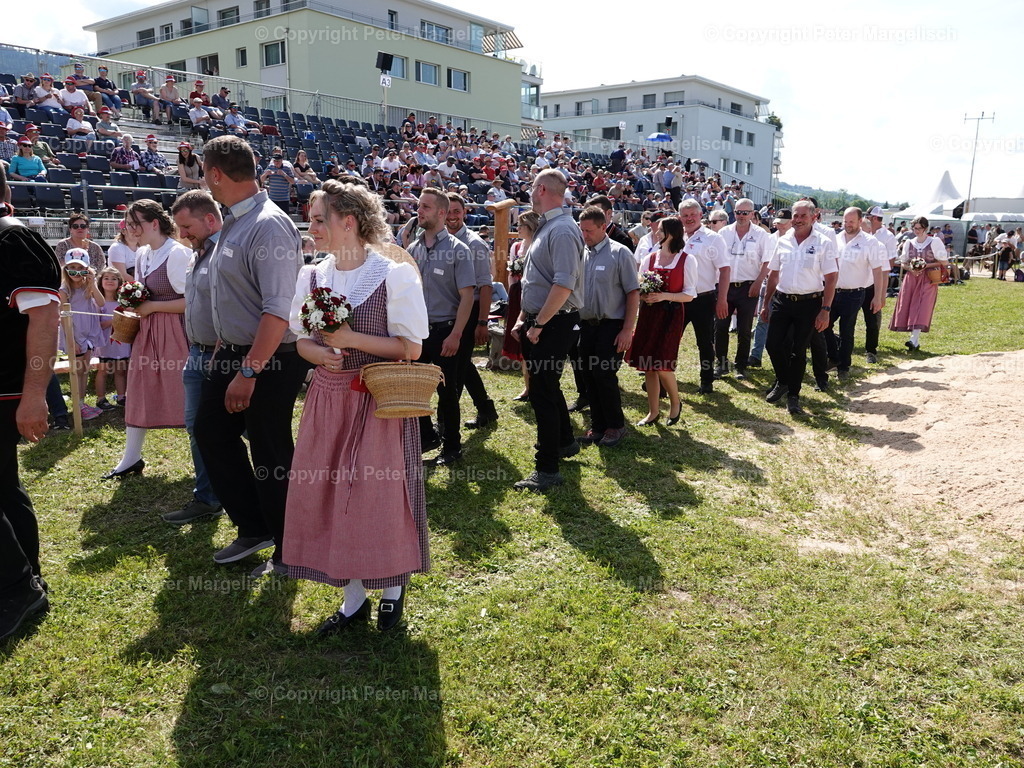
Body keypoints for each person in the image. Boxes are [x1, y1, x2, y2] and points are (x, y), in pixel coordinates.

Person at [282, 180, 429, 635]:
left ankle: (391, 590)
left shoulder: (393, 274)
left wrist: (349, 340)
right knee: (329, 497)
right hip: (328, 399)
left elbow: (412, 347)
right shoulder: (313, 274)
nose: (312, 228)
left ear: (349, 222)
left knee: (377, 498)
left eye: (319, 219)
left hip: (376, 402)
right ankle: (351, 600)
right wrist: (319, 353)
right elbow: (300, 339)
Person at [194, 135, 307, 576]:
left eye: (205, 174)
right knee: (211, 430)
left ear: (216, 174)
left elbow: (278, 310)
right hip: (238, 352)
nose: (205, 182)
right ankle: (256, 526)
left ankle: (291, 546)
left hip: (270, 357)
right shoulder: (235, 221)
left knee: (270, 450)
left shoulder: (268, 223)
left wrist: (247, 370)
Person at [0, 166, 61, 640]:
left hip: (7, 389)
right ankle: (25, 575)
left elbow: (44, 320)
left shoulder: (12, 239)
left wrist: (36, 396)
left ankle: (19, 588)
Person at [103, 200, 191, 480]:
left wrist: (152, 307)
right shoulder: (141, 254)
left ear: (154, 223)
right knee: (139, 389)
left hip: (175, 332)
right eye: (127, 225)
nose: (130, 230)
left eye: (135, 224)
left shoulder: (177, 254)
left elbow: (192, 302)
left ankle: (211, 460)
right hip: (147, 331)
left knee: (186, 394)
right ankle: (131, 458)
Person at [509, 169, 584, 492]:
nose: (528, 191)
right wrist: (526, 316)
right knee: (547, 387)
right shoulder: (550, 226)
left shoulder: (562, 230)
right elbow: (540, 278)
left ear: (541, 189)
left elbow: (563, 285)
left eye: (530, 187)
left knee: (541, 392)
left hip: (554, 321)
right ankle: (565, 442)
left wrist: (539, 323)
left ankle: (547, 468)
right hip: (542, 319)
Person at [163, 191, 225, 525]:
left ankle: (261, 496)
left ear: (209, 219)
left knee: (241, 430)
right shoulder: (197, 251)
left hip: (222, 355)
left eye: (187, 226)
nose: (182, 234)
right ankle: (209, 497)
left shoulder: (228, 252)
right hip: (197, 353)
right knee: (197, 428)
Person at [408, 188, 476, 466]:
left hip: (445, 331)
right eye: (418, 206)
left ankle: (452, 447)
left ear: (441, 213)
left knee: (447, 393)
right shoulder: (412, 249)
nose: (419, 211)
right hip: (419, 332)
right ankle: (427, 436)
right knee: (416, 389)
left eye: (425, 207)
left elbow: (467, 296)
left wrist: (456, 334)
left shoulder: (459, 250)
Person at [760, 200, 838, 416]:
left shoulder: (823, 242)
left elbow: (831, 278)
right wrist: (766, 303)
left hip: (809, 303)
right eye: (795, 215)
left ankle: (793, 396)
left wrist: (826, 309)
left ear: (813, 217)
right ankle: (784, 381)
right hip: (782, 301)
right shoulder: (783, 240)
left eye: (803, 215)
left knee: (798, 351)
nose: (798, 219)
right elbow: (773, 274)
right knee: (773, 345)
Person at [575, 206, 640, 447]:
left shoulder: (620, 253)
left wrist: (627, 329)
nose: (585, 235)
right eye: (582, 230)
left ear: (603, 227)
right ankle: (598, 426)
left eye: (589, 230)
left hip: (611, 325)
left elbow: (633, 293)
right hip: (585, 325)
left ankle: (616, 426)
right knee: (588, 375)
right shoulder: (581, 253)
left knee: (604, 375)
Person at [626, 217, 696, 426]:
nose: (656, 233)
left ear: (671, 233)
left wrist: (665, 296)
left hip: (671, 314)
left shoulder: (687, 259)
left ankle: (676, 403)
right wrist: (644, 296)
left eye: (660, 230)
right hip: (649, 314)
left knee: (663, 365)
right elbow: (638, 285)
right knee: (649, 364)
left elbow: (690, 295)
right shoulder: (650, 258)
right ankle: (653, 411)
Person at [444, 193, 498, 430]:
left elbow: (485, 286)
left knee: (455, 368)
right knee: (462, 363)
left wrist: (483, 322)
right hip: (448, 312)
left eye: (457, 211)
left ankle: (445, 423)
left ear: (464, 212)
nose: (452, 216)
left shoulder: (475, 243)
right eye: (448, 211)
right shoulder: (439, 240)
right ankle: (486, 408)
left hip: (470, 310)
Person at [819, 208, 887, 380]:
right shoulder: (835, 238)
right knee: (823, 326)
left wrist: (878, 296)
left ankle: (843, 367)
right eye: (845, 221)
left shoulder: (869, 242)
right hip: (833, 291)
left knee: (846, 331)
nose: (847, 225)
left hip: (854, 293)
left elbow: (878, 271)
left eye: (851, 222)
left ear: (860, 221)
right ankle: (833, 357)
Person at [715, 198, 770, 380]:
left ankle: (741, 365)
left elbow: (767, 262)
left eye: (745, 212)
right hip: (725, 286)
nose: (741, 216)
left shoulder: (761, 235)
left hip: (748, 287)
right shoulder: (723, 233)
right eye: (738, 212)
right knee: (721, 326)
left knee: (744, 329)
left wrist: (758, 282)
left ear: (753, 214)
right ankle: (721, 364)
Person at [678, 199, 730, 394]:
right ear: (679, 217)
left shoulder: (713, 238)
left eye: (693, 214)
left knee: (705, 342)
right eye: (685, 215)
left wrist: (722, 299)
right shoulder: (675, 236)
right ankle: (663, 379)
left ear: (701, 215)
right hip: (678, 299)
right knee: (671, 339)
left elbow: (725, 270)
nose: (689, 218)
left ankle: (706, 381)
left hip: (703, 298)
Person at [58, 249, 105, 421]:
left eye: (81, 268)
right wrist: (71, 340)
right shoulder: (64, 290)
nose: (76, 272)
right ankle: (77, 406)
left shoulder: (88, 287)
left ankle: (82, 402)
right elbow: (63, 317)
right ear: (66, 270)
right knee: (77, 371)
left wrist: (92, 284)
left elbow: (101, 303)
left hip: (89, 333)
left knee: (85, 370)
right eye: (72, 268)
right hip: (75, 333)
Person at [889, 216, 947, 351]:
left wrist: (925, 265)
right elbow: (903, 262)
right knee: (909, 306)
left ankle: (913, 339)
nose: (916, 231)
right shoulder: (909, 242)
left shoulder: (934, 241)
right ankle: (914, 341)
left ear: (925, 228)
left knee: (922, 307)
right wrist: (911, 268)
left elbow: (944, 262)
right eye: (914, 228)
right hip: (912, 278)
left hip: (928, 279)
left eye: (919, 228)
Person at [503, 212, 539, 401]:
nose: (517, 229)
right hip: (517, 295)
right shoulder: (516, 246)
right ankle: (527, 387)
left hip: (533, 297)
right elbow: (510, 272)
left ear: (530, 227)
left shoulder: (539, 246)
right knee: (521, 343)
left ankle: (537, 385)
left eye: (520, 225)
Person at [861, 206, 897, 363]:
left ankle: (871, 350)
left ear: (873, 218)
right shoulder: (861, 233)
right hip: (857, 282)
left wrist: (881, 292)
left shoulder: (887, 237)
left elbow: (889, 264)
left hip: (874, 282)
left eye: (868, 217)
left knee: (873, 318)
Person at [94, 267, 130, 410]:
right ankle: (101, 399)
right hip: (105, 343)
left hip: (121, 342)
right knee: (103, 370)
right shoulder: (97, 303)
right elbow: (96, 325)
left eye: (114, 278)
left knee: (121, 370)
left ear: (119, 282)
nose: (110, 281)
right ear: (101, 281)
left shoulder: (123, 303)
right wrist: (114, 320)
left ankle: (122, 397)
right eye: (106, 278)